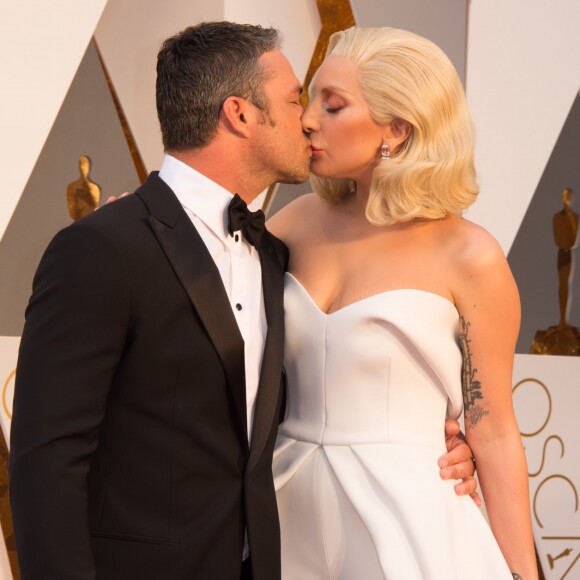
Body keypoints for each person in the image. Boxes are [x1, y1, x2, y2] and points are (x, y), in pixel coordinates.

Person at [9, 22, 477, 580]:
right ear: (241, 114)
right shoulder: (101, 248)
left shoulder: (276, 251)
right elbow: (47, 461)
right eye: (295, 98)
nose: (306, 119)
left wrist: (443, 442)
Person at [268, 27, 537, 580]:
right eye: (312, 98)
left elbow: (494, 430)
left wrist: (523, 573)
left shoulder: (471, 255)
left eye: (333, 104)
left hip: (409, 517)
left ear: (397, 128)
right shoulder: (291, 225)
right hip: (280, 505)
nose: (308, 119)